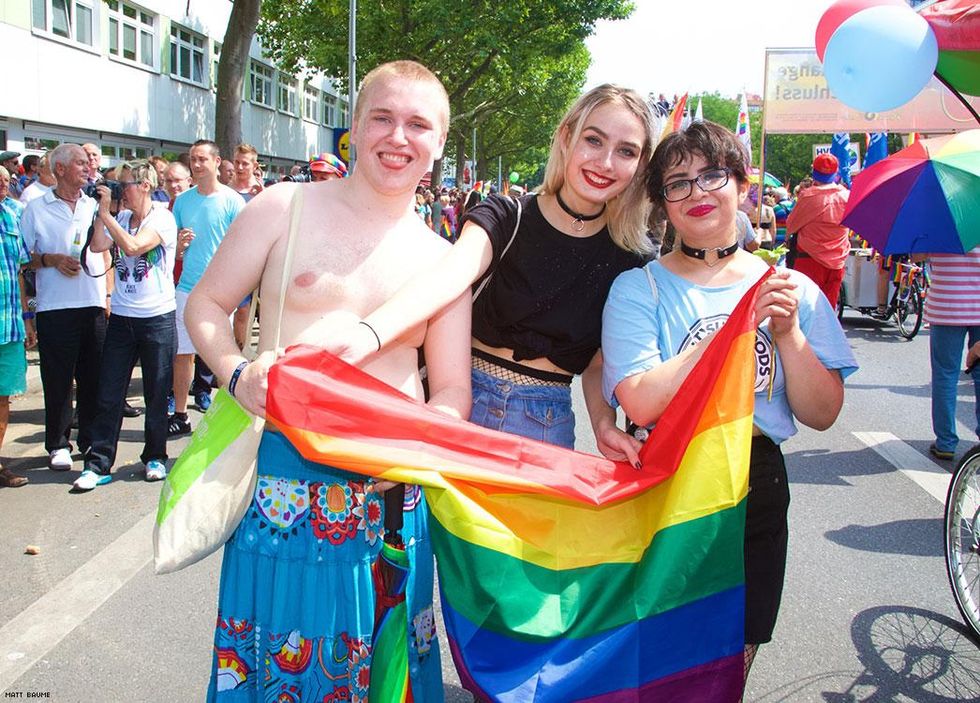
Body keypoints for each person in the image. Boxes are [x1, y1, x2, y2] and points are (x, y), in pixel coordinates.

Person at [186, 59, 467, 701]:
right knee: (277, 657)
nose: (399, 137)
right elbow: (204, 307)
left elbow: (451, 391)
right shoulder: (284, 206)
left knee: (386, 670)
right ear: (354, 129)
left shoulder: (442, 261)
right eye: (383, 119)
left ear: (440, 143)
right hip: (286, 487)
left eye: (418, 124)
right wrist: (236, 375)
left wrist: (420, 445)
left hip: (393, 497)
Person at [599, 121, 857, 691]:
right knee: (667, 653)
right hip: (670, 479)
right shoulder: (638, 289)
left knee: (734, 653)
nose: (696, 193)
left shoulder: (790, 289)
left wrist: (787, 333)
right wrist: (735, 327)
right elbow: (640, 402)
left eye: (712, 175)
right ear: (661, 203)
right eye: (678, 182)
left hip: (757, 479)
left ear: (742, 185)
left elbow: (823, 412)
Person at [324, 84, 656, 462]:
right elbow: (450, 276)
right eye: (594, 140)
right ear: (566, 137)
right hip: (459, 405)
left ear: (640, 165)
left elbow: (599, 362)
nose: (606, 162)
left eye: (626, 151)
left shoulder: (630, 259)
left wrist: (603, 424)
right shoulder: (504, 216)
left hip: (547, 426)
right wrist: (369, 335)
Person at [74, 161, 177, 491]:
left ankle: (155, 457)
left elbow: (134, 247)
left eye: (126, 184)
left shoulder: (162, 217)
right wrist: (101, 213)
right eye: (116, 185)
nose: (121, 191)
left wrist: (106, 215)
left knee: (156, 391)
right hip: (122, 317)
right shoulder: (119, 217)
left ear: (145, 185)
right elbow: (98, 246)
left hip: (157, 317)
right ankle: (98, 462)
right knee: (109, 392)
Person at [21, 143, 107, 472]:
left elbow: (107, 250)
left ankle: (88, 439)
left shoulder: (93, 205)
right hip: (55, 307)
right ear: (59, 169)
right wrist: (51, 260)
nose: (88, 169)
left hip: (93, 303)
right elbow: (23, 259)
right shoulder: (36, 207)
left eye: (89, 163)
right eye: (81, 164)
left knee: (92, 377)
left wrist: (108, 297)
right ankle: (58, 443)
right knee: (57, 379)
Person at [170, 140, 245, 436]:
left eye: (202, 159)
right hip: (187, 288)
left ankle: (227, 418)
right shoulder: (183, 202)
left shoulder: (232, 201)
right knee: (182, 354)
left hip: (219, 292)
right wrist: (179, 246)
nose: (197, 164)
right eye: (193, 159)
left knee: (220, 357)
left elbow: (243, 247)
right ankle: (179, 413)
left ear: (216, 162)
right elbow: (172, 249)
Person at [923, 246, 980, 461]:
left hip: (946, 305)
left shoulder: (936, 217)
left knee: (945, 376)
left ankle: (946, 442)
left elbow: (918, 255)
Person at [0, 166, 34, 488]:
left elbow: (22, 273)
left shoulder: (12, 215)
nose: (2, 185)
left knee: (3, 398)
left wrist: (27, 318)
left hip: (9, 326)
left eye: (5, 181)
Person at [785, 154, 850, 309]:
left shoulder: (808, 196)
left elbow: (791, 225)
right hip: (837, 262)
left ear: (814, 172)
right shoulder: (846, 197)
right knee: (828, 311)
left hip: (809, 260)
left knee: (805, 310)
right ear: (835, 173)